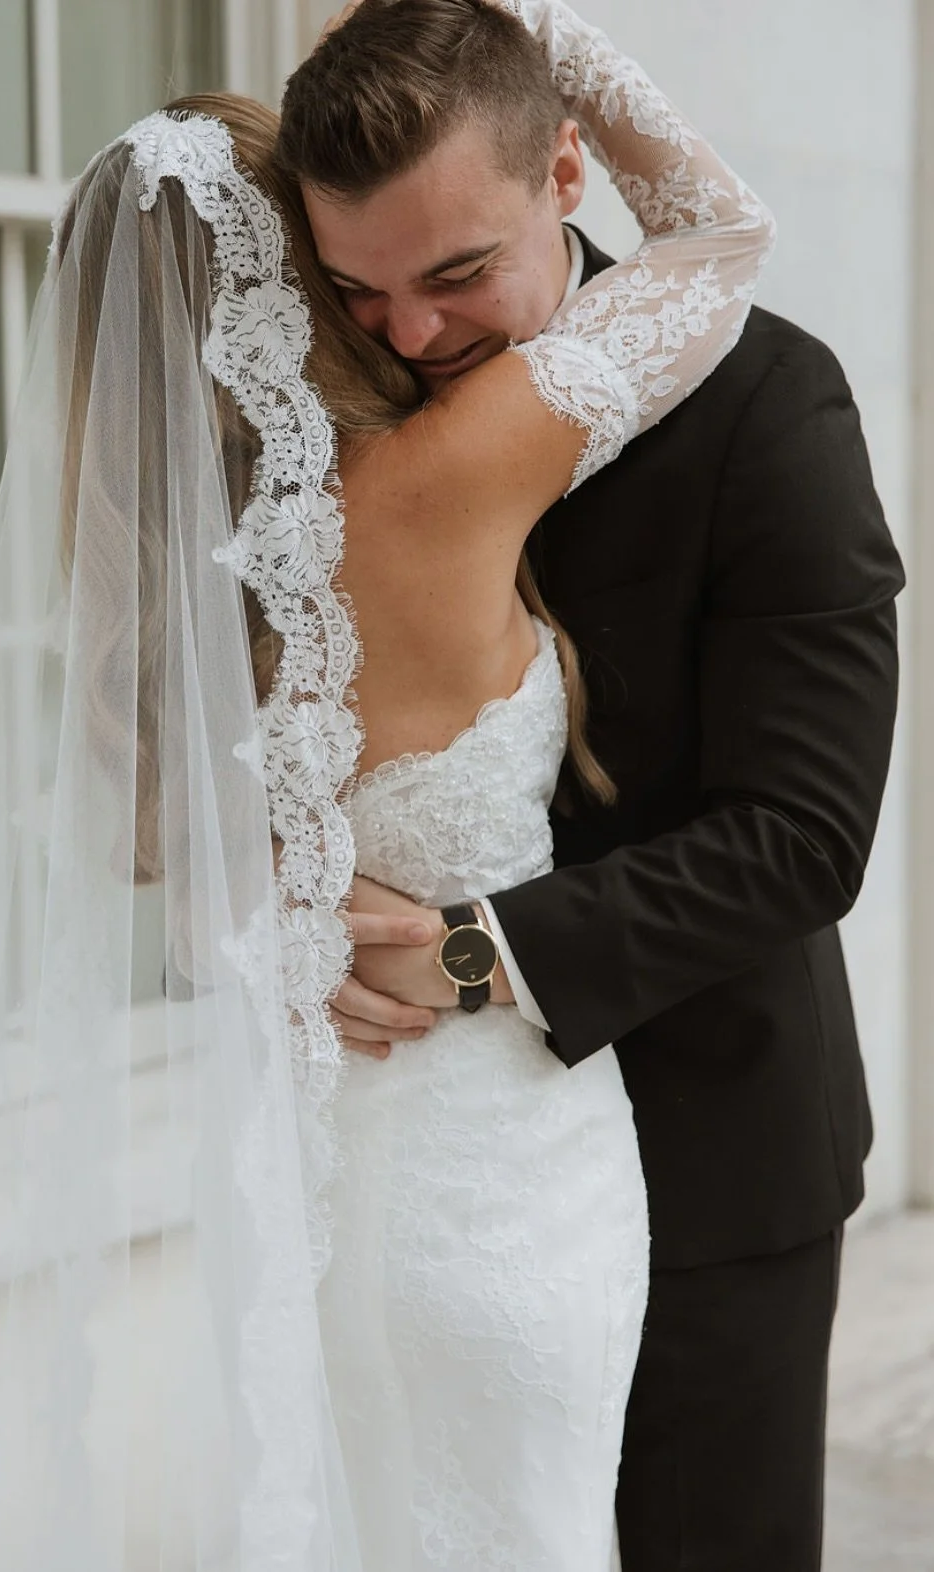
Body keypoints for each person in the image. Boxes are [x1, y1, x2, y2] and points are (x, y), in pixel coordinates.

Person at [0, 5, 769, 1569]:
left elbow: (155, 839)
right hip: (499, 1177)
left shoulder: (147, 599)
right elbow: (717, 234)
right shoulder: (438, 482)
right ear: (287, 283)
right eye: (344, 279)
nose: (393, 325)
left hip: (300, 1192)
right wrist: (526, 42)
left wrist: (297, 904)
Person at [279, 1, 906, 1568]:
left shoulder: (770, 399)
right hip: (428, 1177)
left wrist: (474, 951)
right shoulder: (315, 420)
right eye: (357, 289)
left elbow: (803, 837)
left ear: (567, 168)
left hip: (711, 1150)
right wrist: (288, 897)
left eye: (454, 276)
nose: (409, 338)